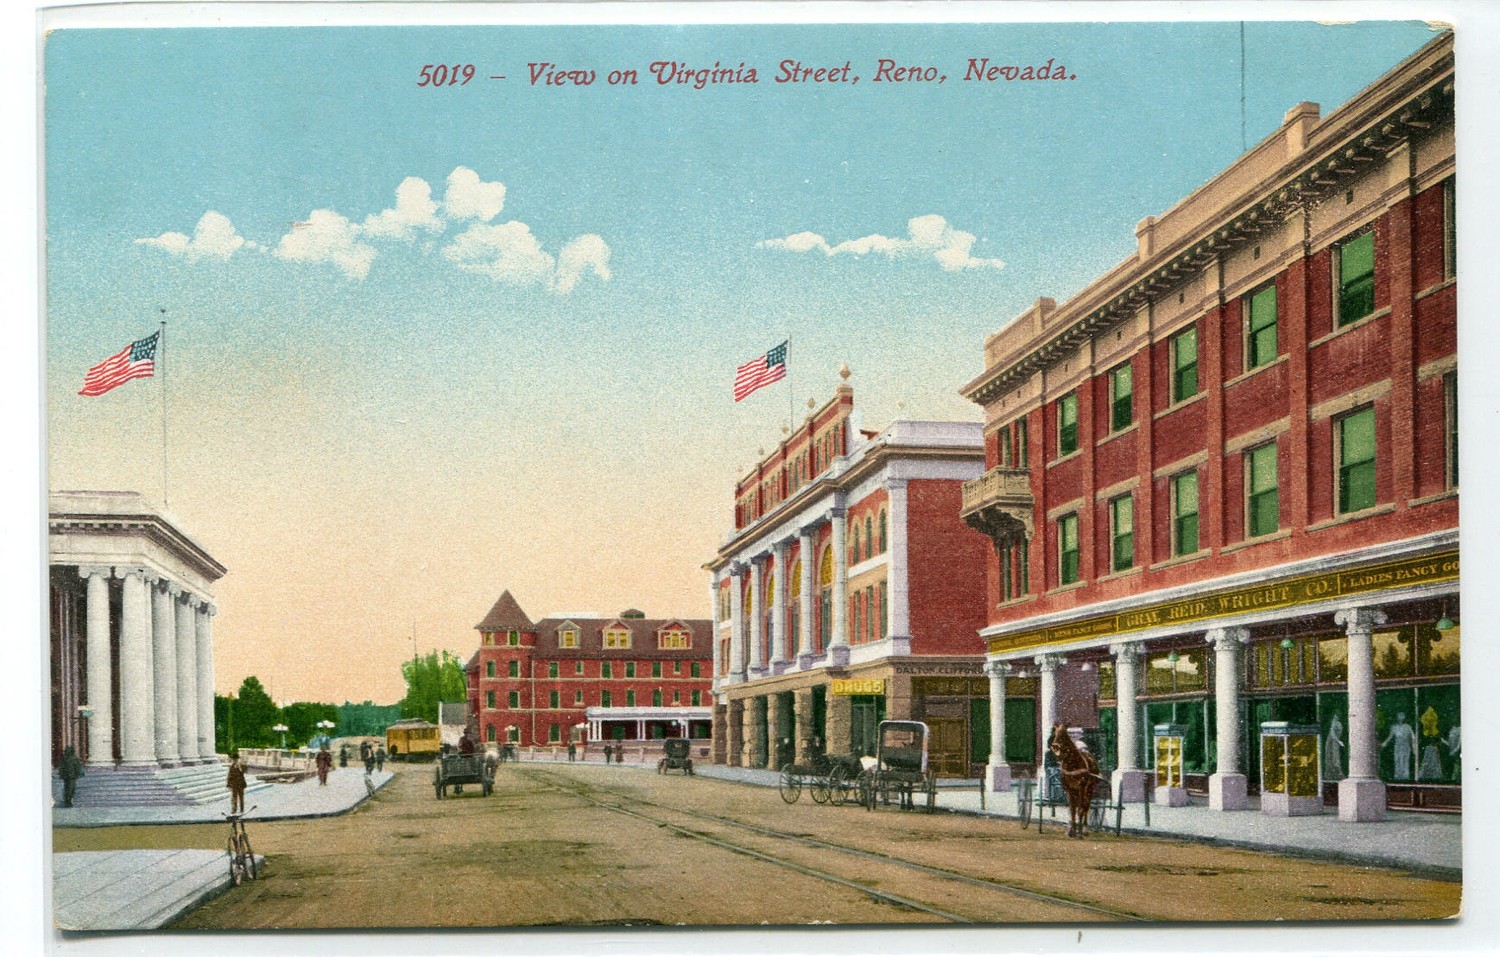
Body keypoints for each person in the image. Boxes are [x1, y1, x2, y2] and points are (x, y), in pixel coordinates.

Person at [1381, 713, 1417, 780]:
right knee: (1397, 760)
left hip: (1405, 746)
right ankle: (1398, 777)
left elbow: (1412, 737)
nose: (1400, 717)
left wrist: (1414, 748)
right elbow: (1390, 736)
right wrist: (1384, 743)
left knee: (1405, 760)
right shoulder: (1394, 727)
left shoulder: (1407, 727)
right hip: (1398, 746)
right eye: (1399, 716)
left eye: (1402, 716)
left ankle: (1405, 777)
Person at [226, 749, 248, 814]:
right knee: (234, 798)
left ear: (238, 759)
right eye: (234, 759)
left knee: (241, 798)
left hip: (241, 784)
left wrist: (239, 768)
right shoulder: (231, 766)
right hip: (234, 784)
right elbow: (229, 776)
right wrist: (229, 784)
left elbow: (244, 771)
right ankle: (234, 810)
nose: (235, 760)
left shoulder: (241, 765)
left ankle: (242, 810)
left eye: (236, 759)